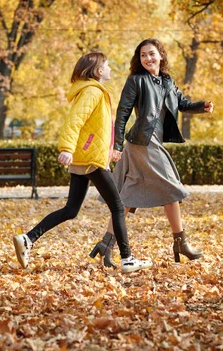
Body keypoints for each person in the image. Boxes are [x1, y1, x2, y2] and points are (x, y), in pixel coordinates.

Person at [13, 52, 152, 274]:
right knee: (118, 206)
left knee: (71, 209)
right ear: (98, 71)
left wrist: (109, 152)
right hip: (88, 159)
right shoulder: (92, 92)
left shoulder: (92, 92)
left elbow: (96, 127)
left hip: (88, 156)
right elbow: (75, 120)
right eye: (106, 65)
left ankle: (28, 239)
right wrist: (67, 148)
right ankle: (127, 259)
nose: (109, 69)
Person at [89, 38, 214, 268]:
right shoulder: (135, 81)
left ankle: (106, 243)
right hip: (142, 143)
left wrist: (200, 106)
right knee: (172, 188)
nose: (148, 58)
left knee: (127, 198)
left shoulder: (167, 81)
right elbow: (123, 113)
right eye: (143, 55)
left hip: (153, 142)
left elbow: (181, 103)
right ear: (139, 59)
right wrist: (116, 146)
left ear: (161, 56)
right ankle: (181, 243)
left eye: (152, 54)